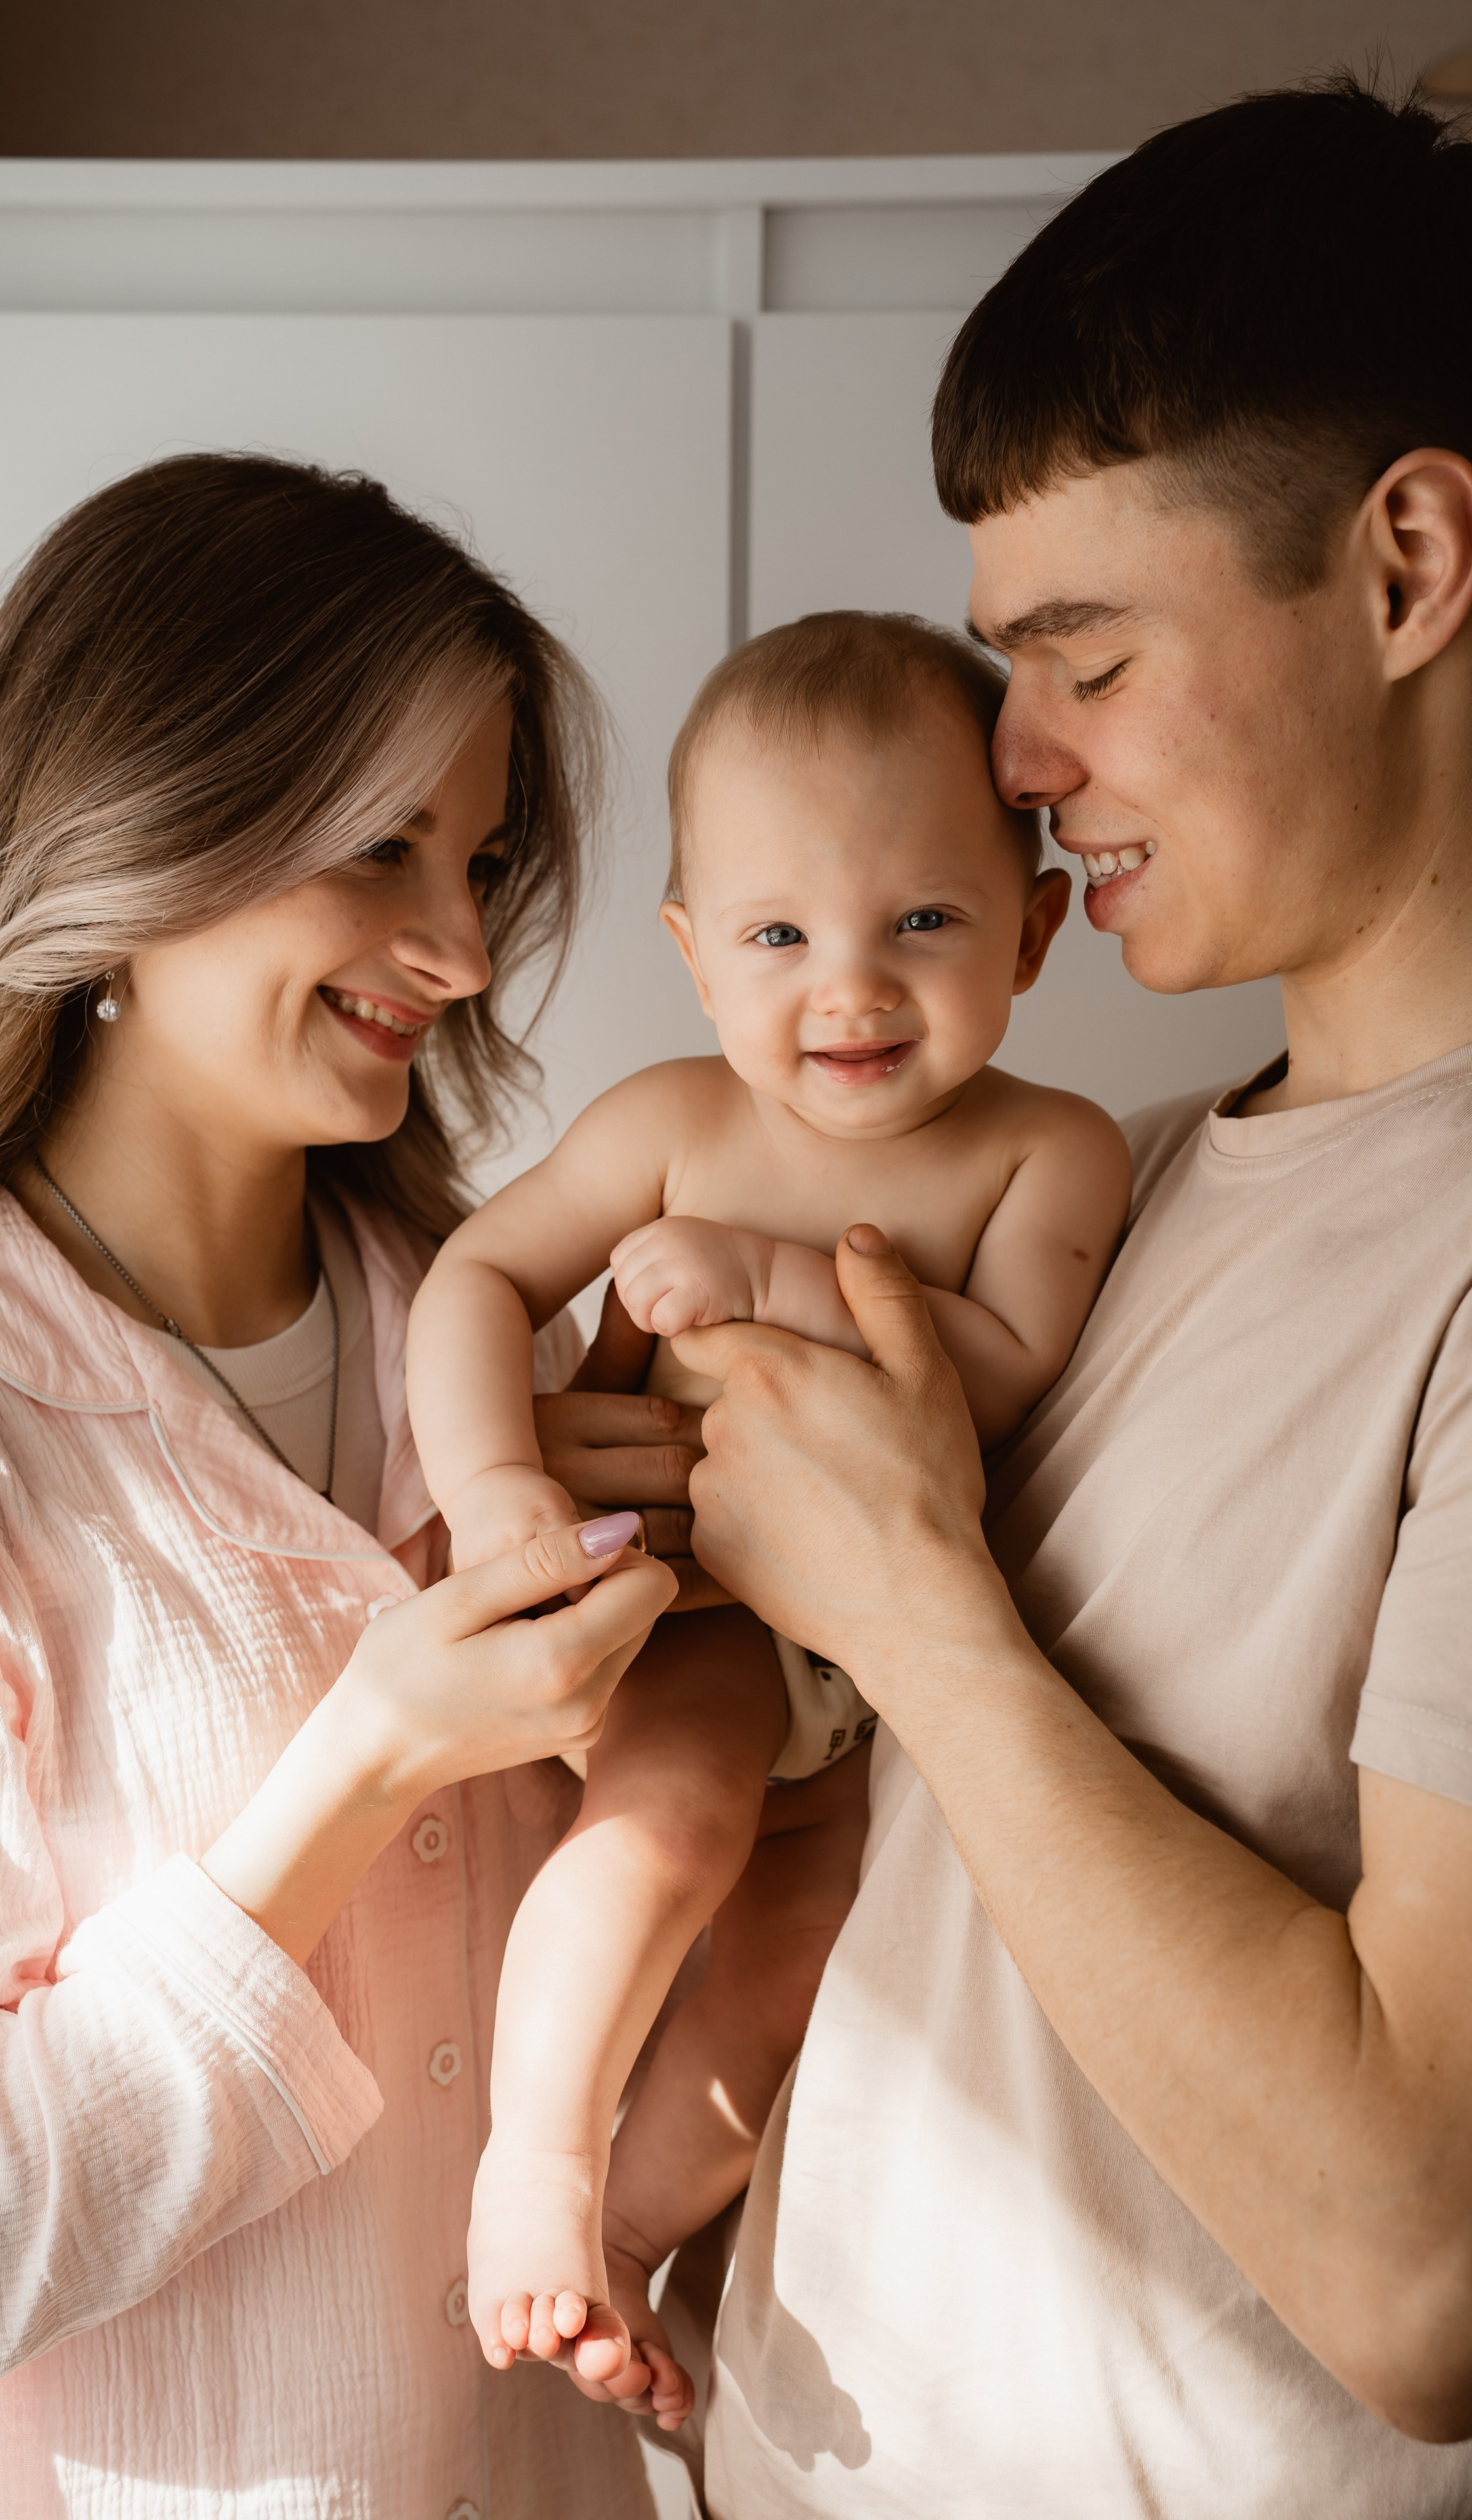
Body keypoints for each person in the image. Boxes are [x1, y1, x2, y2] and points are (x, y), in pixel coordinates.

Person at [652, 77, 1472, 2517]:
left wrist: (908, 1603)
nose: (1012, 764)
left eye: (1084, 654)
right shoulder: (1122, 1186)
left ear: (1408, 563)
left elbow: (1421, 2267)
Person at [0, 450, 698, 2520]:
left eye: (479, 862)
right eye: (384, 844)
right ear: (145, 812)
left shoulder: (504, 1360)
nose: (461, 949)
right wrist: (364, 1760)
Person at [406, 611, 1129, 2402]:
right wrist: (502, 1488)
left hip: (892, 1662)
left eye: (927, 922)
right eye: (782, 934)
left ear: (1034, 927)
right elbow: (477, 1280)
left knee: (797, 1962)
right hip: (713, 1614)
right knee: (657, 1837)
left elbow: (1011, 1360)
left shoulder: (1053, 1148)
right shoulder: (663, 1119)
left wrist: (771, 1275)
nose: (852, 988)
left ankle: (632, 2241)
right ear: (696, 951)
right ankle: (539, 2167)